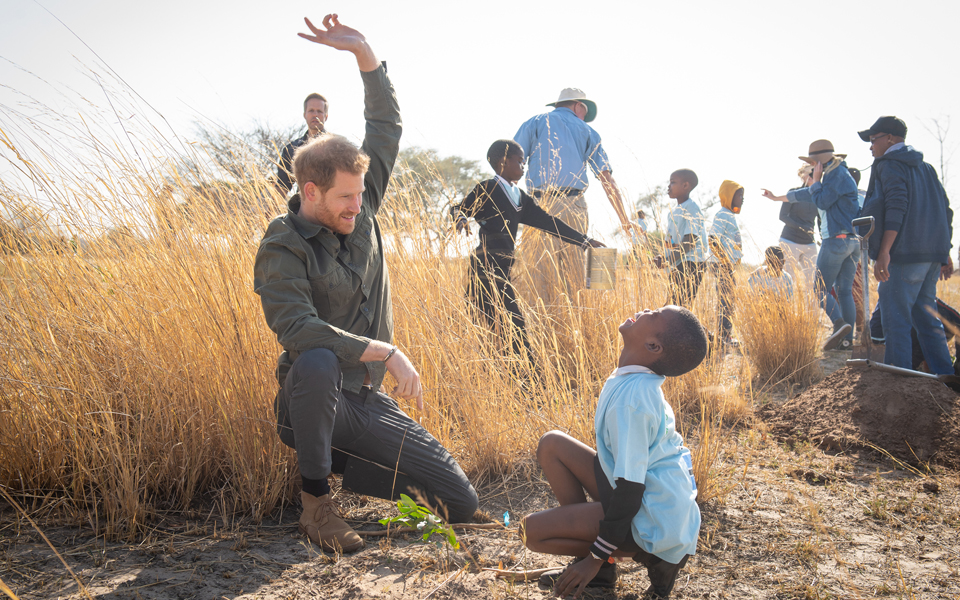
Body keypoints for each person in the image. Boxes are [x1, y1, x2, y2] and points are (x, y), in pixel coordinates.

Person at [253, 14, 478, 554]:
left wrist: (364, 56)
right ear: (310, 192)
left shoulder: (362, 203)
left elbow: (386, 128)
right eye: (345, 199)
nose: (359, 206)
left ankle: (338, 466)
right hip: (312, 396)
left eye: (361, 195)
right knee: (315, 358)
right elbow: (299, 329)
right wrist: (385, 350)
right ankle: (315, 501)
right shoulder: (282, 244)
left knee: (461, 504)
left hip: (366, 400)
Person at [520, 305, 706, 599]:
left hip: (652, 516)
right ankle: (603, 570)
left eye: (654, 313)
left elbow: (631, 488)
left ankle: (641, 558)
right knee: (552, 445)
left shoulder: (634, 400)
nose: (646, 309)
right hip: (650, 497)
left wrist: (595, 557)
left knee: (531, 532)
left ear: (653, 346)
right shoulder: (633, 379)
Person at [451, 139, 604, 363]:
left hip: (503, 270)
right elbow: (460, 208)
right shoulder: (488, 188)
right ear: (503, 162)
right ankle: (527, 381)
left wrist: (584, 240)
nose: (523, 167)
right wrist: (461, 218)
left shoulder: (520, 197)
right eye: (520, 162)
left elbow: (549, 222)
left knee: (501, 329)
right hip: (484, 270)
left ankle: (510, 377)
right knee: (508, 328)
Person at [513, 88, 631, 304]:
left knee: (537, 274)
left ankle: (542, 331)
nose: (584, 117)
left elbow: (511, 161)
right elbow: (607, 180)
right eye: (585, 111)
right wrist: (624, 220)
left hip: (537, 205)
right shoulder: (589, 132)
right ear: (578, 106)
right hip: (574, 206)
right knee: (575, 272)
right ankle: (578, 326)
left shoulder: (535, 123)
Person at [859, 115, 955, 373]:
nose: (871, 147)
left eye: (873, 140)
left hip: (903, 256)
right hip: (931, 257)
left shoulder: (889, 164)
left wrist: (885, 252)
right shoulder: (927, 168)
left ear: (890, 139)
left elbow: (896, 205)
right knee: (927, 321)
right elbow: (945, 211)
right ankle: (946, 379)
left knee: (896, 321)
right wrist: (945, 253)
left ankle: (900, 386)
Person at [762, 140, 861, 351]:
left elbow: (822, 201)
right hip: (853, 242)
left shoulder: (836, 176)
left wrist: (815, 180)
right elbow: (804, 194)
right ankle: (846, 340)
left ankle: (839, 324)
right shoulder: (835, 176)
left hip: (836, 240)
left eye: (814, 164)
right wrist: (776, 198)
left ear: (818, 163)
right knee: (843, 291)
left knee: (819, 289)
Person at [661, 169, 708, 307]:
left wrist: (667, 259)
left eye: (673, 182)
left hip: (691, 263)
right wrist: (663, 257)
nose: (669, 186)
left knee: (680, 307)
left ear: (685, 186)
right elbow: (672, 241)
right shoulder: (674, 211)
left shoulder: (691, 208)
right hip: (678, 263)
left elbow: (690, 241)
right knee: (674, 306)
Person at [708, 180, 744, 347]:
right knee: (726, 300)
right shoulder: (723, 214)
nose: (743, 200)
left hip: (727, 265)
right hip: (723, 265)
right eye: (739, 196)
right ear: (729, 197)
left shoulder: (729, 215)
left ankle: (725, 336)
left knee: (728, 300)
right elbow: (712, 239)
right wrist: (725, 262)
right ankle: (724, 338)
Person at [275, 94, 330, 197]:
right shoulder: (291, 149)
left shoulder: (337, 147)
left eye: (319, 111)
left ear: (326, 116)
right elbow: (282, 188)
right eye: (311, 110)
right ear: (305, 114)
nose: (315, 115)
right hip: (302, 209)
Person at [778, 164, 819, 290]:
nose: (813, 177)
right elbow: (782, 216)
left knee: (813, 281)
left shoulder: (819, 195)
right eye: (810, 174)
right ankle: (786, 309)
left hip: (810, 243)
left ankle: (810, 310)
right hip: (789, 241)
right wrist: (802, 227)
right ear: (803, 176)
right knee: (788, 279)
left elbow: (821, 220)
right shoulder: (793, 193)